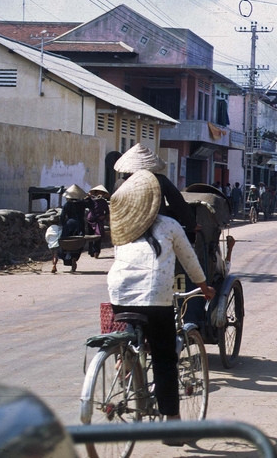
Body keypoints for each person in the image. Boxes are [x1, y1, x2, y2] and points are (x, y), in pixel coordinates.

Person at [107, 170, 215, 443]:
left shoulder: (123, 228)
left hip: (119, 295)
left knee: (135, 329)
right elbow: (190, 262)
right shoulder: (169, 225)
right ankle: (171, 424)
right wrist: (204, 287)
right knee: (165, 358)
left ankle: (126, 358)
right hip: (155, 298)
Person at [59, 184, 91, 272]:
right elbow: (92, 206)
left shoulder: (67, 204)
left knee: (66, 241)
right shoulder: (82, 204)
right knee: (78, 242)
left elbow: (62, 216)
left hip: (69, 224)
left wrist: (61, 224)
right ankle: (74, 257)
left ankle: (68, 258)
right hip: (80, 224)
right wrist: (89, 198)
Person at [85, 185, 110, 258]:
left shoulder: (103, 202)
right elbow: (86, 204)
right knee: (90, 235)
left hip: (99, 220)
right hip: (91, 220)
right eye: (99, 192)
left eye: (101, 193)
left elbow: (107, 211)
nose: (100, 194)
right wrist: (88, 197)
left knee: (98, 236)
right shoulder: (91, 200)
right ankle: (91, 251)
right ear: (95, 193)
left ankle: (96, 251)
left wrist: (104, 216)